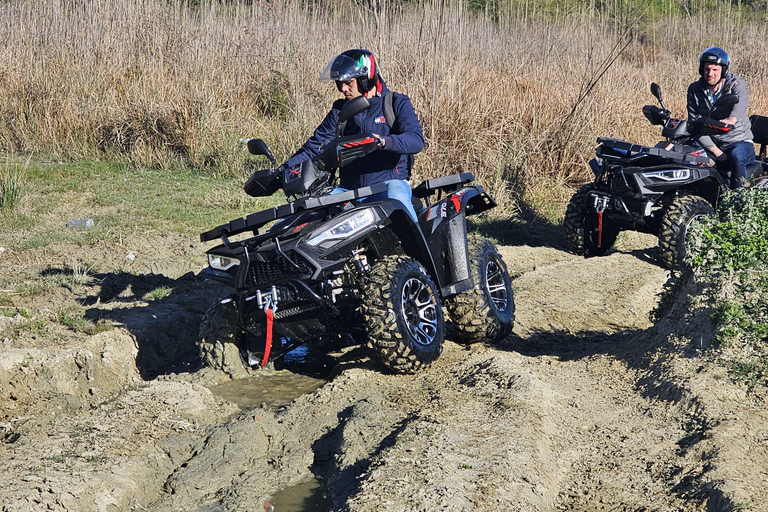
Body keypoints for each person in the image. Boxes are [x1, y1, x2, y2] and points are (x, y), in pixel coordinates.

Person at [281, 49, 424, 222]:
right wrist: (283, 170)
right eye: (340, 83)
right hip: (347, 191)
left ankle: (415, 243)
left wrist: (383, 142)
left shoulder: (396, 103)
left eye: (348, 82)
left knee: (397, 195)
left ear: (366, 78)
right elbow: (314, 147)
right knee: (307, 210)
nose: (343, 89)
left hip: (388, 185)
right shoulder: (340, 110)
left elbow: (416, 140)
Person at [687, 46, 756, 189]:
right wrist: (716, 152)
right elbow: (695, 125)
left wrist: (732, 119)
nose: (710, 73)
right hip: (712, 144)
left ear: (723, 71)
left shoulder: (734, 83)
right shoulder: (694, 90)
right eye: (707, 69)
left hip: (738, 141)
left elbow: (742, 101)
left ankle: (738, 201)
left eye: (715, 70)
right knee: (685, 155)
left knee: (736, 157)